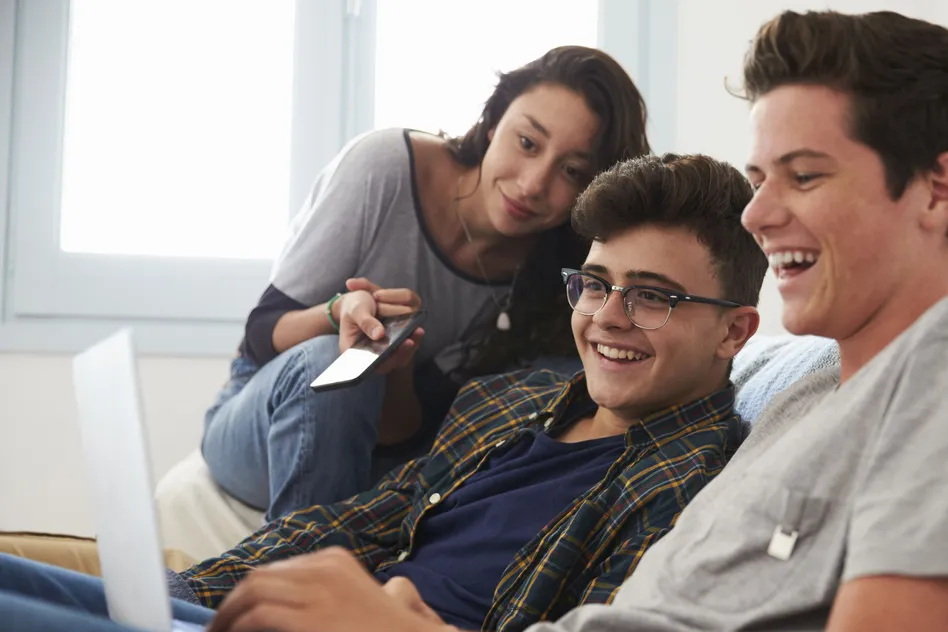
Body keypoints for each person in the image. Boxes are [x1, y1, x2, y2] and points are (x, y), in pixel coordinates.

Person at [0, 11, 948, 632]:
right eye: (757, 181)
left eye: (803, 177)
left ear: (938, 190)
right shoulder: (799, 394)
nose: (757, 216)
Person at [1, 150, 765, 632]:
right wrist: (189, 595)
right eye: (594, 285)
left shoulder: (697, 489)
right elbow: (360, 521)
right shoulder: (515, 401)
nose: (606, 317)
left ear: (734, 333)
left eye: (653, 297)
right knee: (24, 591)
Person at [203, 45, 651, 522]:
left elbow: (406, 435)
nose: (532, 184)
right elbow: (260, 334)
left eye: (572, 171)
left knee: (556, 383)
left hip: (386, 450)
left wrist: (395, 365)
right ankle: (294, 577)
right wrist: (338, 314)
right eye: (527, 143)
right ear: (495, 121)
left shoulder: (555, 279)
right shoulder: (386, 167)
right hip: (263, 416)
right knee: (331, 362)